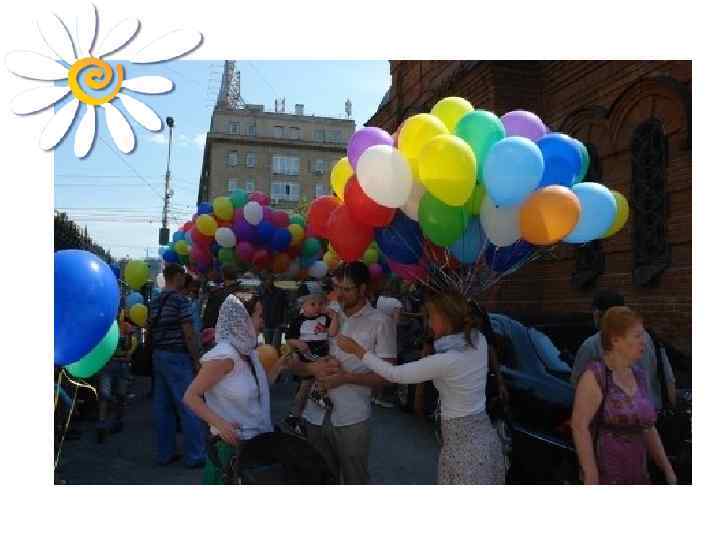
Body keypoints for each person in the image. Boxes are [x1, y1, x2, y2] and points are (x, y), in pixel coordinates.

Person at [337, 290, 505, 484]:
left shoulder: (447, 360)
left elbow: (394, 374)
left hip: (465, 452)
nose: (428, 323)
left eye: (431, 317)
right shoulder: (479, 340)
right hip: (483, 437)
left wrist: (358, 350)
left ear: (446, 318)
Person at [288, 262, 396, 484]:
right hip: (314, 414)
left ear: (363, 288)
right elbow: (295, 361)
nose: (339, 294)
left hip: (351, 417)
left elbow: (388, 376)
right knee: (320, 479)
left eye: (346, 289)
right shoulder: (324, 312)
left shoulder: (381, 323)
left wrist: (346, 378)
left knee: (354, 480)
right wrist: (310, 367)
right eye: (337, 287)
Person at [183, 294, 287, 484]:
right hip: (230, 451)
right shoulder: (223, 356)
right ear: (242, 319)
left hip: (255, 445)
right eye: (259, 316)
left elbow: (255, 392)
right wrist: (221, 426)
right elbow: (191, 396)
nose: (263, 322)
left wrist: (280, 366)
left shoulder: (249, 353)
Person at [571, 307, 677, 485]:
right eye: (637, 336)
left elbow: (648, 428)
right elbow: (579, 426)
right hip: (607, 473)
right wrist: (590, 473)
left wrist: (667, 468)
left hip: (638, 473)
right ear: (616, 340)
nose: (643, 341)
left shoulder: (639, 375)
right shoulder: (595, 375)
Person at [571, 289, 676, 410]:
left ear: (598, 314)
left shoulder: (592, 345)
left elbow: (578, 387)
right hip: (651, 414)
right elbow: (668, 380)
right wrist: (670, 412)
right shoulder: (649, 339)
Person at [149, 263, 206, 468]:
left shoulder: (155, 301)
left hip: (159, 356)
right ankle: (195, 455)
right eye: (183, 275)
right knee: (189, 404)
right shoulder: (180, 300)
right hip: (177, 357)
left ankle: (165, 453)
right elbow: (188, 333)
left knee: (162, 407)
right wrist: (196, 359)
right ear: (177, 276)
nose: (185, 278)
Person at [283, 292, 339, 432]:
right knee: (309, 382)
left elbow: (332, 333)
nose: (317, 307)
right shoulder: (298, 321)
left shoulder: (324, 318)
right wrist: (297, 343)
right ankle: (314, 396)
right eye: (312, 304)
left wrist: (334, 317)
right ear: (303, 306)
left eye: (321, 304)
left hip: (320, 354)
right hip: (306, 356)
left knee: (308, 384)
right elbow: (289, 338)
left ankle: (297, 414)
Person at [96, 310, 138, 443]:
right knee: (104, 394)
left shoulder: (125, 326)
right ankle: (101, 425)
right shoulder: (103, 326)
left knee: (121, 395)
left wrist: (127, 335)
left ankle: (117, 421)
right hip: (107, 365)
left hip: (122, 365)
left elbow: (127, 347)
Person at [202, 266, 241, 330]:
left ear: (223, 276)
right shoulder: (245, 293)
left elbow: (209, 318)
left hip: (222, 330)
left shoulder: (217, 294)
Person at [258, 273, 288, 349]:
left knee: (275, 347)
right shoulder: (261, 293)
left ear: (273, 281)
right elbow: (258, 309)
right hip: (266, 323)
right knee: (268, 347)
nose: (267, 281)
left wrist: (284, 322)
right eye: (265, 280)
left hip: (278, 324)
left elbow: (285, 308)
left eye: (269, 279)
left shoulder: (280, 292)